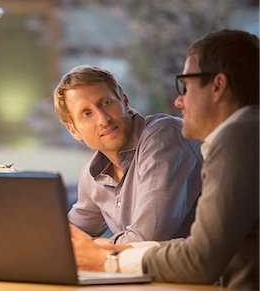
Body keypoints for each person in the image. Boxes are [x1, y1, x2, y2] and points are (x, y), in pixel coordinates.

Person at [70, 29, 259, 290]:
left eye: (186, 85)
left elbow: (200, 260)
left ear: (217, 86)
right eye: (86, 114)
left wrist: (108, 258)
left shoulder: (237, 140)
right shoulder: (248, 135)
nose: (179, 101)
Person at [53, 65, 203, 244]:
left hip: (209, 270)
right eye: (87, 114)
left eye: (106, 103)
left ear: (124, 101)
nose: (103, 120)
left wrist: (94, 248)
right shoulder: (92, 177)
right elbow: (64, 239)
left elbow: (145, 240)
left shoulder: (164, 137)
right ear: (73, 131)